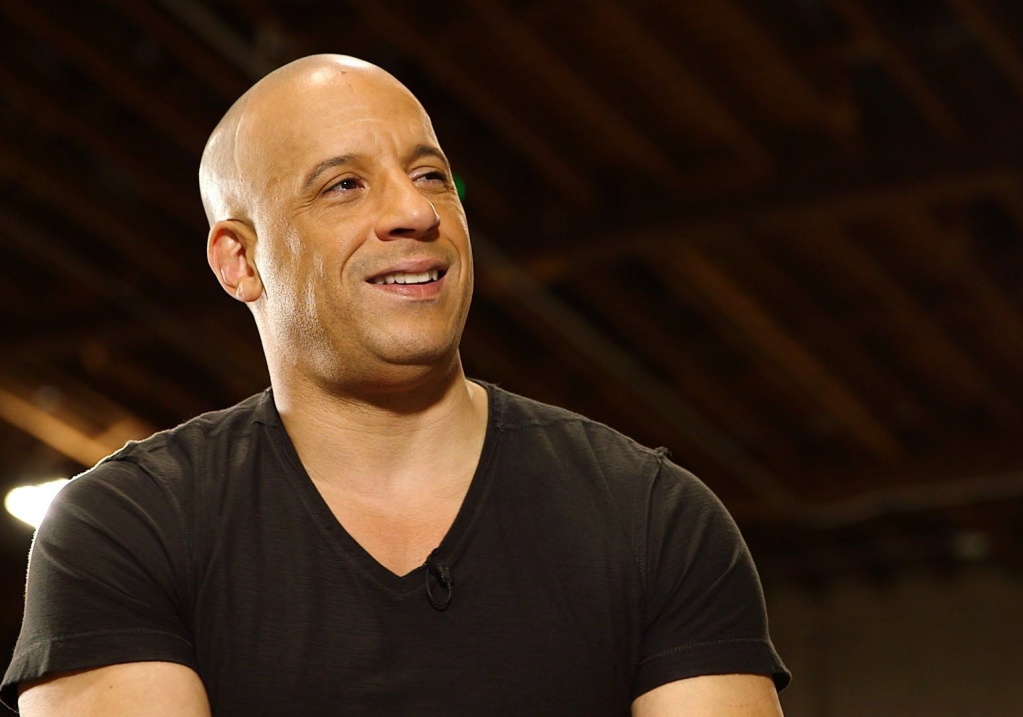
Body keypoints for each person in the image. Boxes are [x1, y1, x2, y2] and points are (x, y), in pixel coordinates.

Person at [2, 54, 789, 715]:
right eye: (344, 185)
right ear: (239, 260)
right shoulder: (127, 528)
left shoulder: (654, 517)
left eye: (431, 175)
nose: (415, 210)